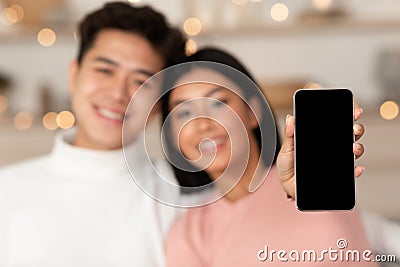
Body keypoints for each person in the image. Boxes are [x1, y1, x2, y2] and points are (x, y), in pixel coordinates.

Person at [0, 2, 186, 266]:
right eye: (105, 70)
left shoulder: (183, 194)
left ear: (159, 104)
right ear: (74, 75)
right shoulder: (6, 190)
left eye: (141, 82)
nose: (118, 94)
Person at [161, 47, 379, 266]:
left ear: (253, 111)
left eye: (218, 103)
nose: (202, 124)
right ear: (171, 134)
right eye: (184, 113)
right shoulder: (188, 235)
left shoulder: (309, 183)